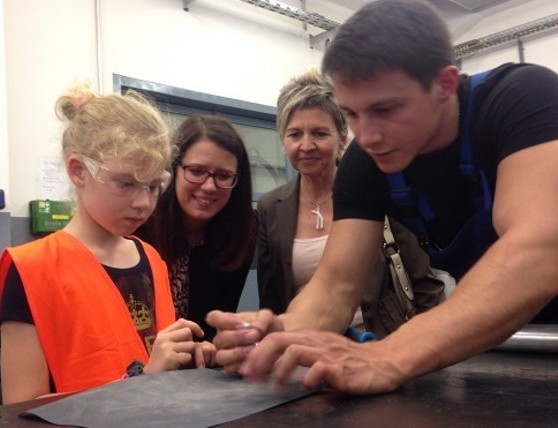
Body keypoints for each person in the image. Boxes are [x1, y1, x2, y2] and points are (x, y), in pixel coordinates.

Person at [207, 0, 558, 395]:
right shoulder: (367, 163)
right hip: (506, 348)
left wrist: (391, 354)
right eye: (352, 114)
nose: (367, 136)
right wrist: (278, 334)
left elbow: (539, 250)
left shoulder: (522, 98)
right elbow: (336, 287)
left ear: (444, 85)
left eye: (385, 109)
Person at [0, 85, 214, 404]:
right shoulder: (32, 269)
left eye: (154, 186)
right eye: (126, 184)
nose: (143, 202)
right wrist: (147, 380)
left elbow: (157, 357)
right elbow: (21, 407)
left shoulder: (150, 258)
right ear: (78, 171)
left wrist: (188, 359)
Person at [139, 115, 256, 342]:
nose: (210, 186)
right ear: (174, 168)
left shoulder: (241, 235)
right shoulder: (140, 223)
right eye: (196, 171)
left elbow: (214, 324)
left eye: (223, 176)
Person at [256, 69, 360, 320]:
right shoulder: (270, 207)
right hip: (307, 349)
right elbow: (271, 302)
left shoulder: (371, 192)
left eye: (319, 133)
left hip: (379, 345)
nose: (306, 146)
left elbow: (422, 282)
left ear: (342, 139)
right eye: (294, 134)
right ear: (283, 141)